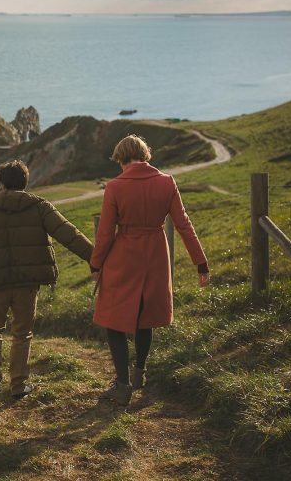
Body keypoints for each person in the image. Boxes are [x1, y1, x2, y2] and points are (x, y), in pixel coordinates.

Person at [90, 135, 210, 406]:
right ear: (145, 155)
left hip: (124, 257)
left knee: (113, 320)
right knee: (146, 317)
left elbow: (106, 234)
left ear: (121, 158)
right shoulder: (166, 182)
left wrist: (96, 263)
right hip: (156, 253)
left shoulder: (115, 187)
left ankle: (122, 385)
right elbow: (184, 225)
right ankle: (139, 373)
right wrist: (200, 263)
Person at [0, 160, 94, 402]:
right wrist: (95, 257)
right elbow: (69, 234)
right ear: (25, 182)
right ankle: (18, 385)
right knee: (22, 333)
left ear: (1, 183)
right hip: (27, 284)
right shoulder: (40, 207)